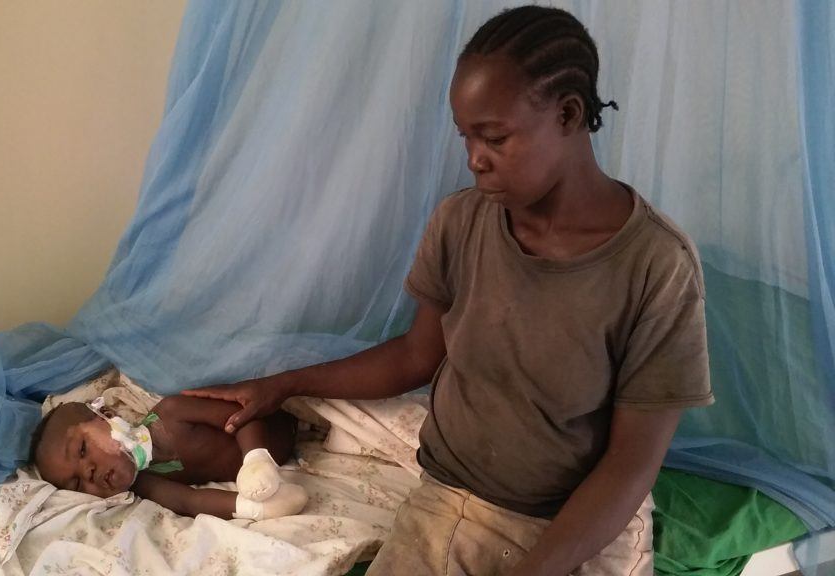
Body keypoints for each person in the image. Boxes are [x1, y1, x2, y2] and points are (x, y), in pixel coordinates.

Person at [184, 5, 713, 575]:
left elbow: (630, 466)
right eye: (466, 138)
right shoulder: (462, 223)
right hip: (453, 501)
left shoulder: (656, 265)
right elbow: (416, 355)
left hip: (576, 528)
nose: (473, 160)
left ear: (568, 114)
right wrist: (284, 385)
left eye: (494, 138)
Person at [30, 393, 308, 522]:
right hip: (279, 459)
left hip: (280, 426)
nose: (88, 472)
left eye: (82, 450)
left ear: (109, 418)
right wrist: (254, 509)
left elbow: (245, 416)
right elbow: (190, 501)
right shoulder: (146, 483)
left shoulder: (172, 413)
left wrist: (255, 459)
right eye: (77, 484)